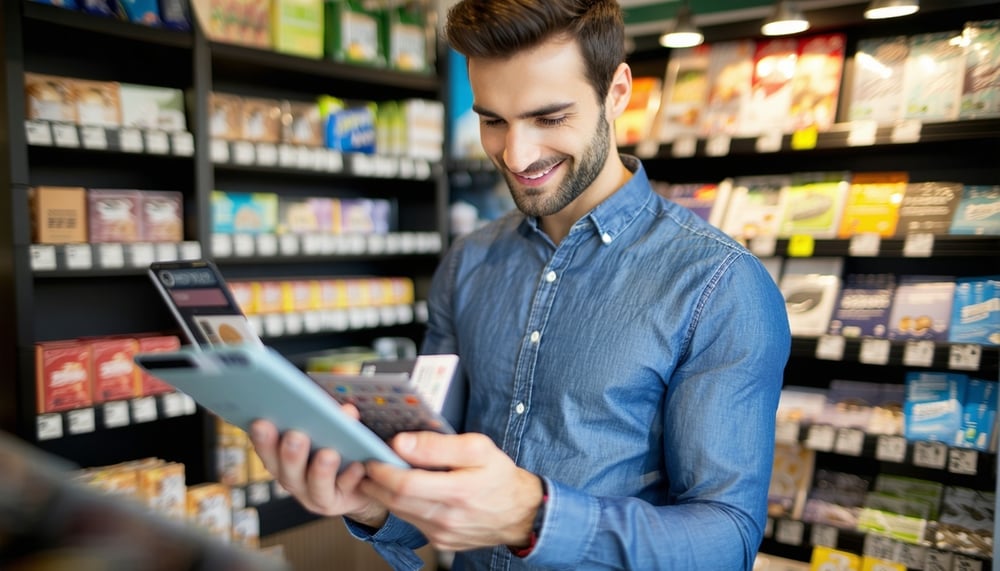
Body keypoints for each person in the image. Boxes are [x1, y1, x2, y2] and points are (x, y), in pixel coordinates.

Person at [249, 0, 791, 569]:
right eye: (493, 121)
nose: (517, 154)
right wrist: (374, 505)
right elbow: (431, 485)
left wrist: (532, 516)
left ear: (617, 92)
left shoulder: (720, 285)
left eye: (549, 118)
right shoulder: (469, 262)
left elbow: (728, 540)